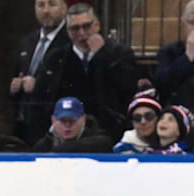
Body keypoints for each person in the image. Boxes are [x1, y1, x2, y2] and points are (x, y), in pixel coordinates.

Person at [59, 3, 137, 141]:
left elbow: (128, 86)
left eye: (87, 26)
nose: (82, 33)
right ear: (68, 31)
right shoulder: (58, 57)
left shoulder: (120, 52)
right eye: (75, 28)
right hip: (70, 132)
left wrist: (102, 54)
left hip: (111, 130)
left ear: (97, 25)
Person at [10, 0, 71, 146]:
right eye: (41, 5)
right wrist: (14, 86)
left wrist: (38, 85)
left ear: (64, 9)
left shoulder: (69, 40)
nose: (46, 10)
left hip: (53, 127)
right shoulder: (27, 41)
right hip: (24, 124)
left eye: (52, 4)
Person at [30, 96, 112, 152]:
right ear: (53, 120)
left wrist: (62, 149)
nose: (68, 125)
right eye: (62, 121)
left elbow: (105, 143)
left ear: (83, 119)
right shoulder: (42, 147)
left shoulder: (99, 143)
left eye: (72, 120)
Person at [152, 0, 194, 109]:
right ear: (184, 23)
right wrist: (188, 55)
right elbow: (161, 85)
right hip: (178, 117)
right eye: (192, 22)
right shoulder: (170, 51)